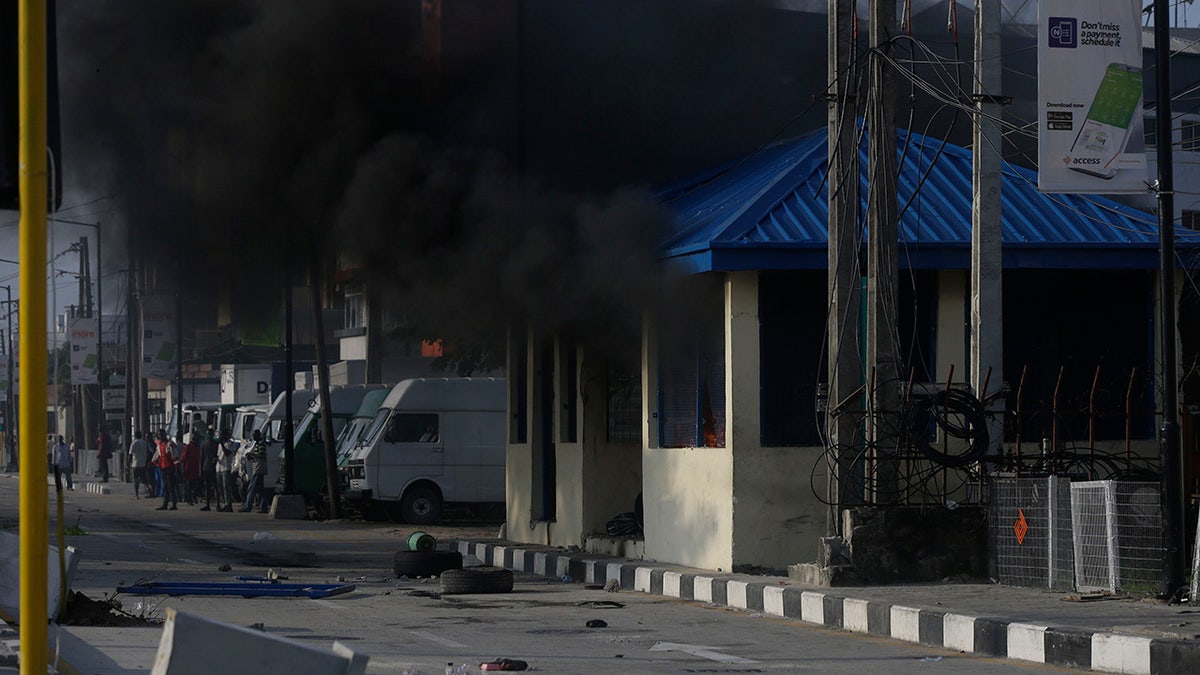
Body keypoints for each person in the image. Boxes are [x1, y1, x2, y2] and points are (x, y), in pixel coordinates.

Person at [240, 429, 269, 513]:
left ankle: (248, 506)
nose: (253, 437)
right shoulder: (257, 444)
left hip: (259, 468)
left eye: (254, 435)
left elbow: (262, 455)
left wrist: (252, 455)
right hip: (257, 467)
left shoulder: (261, 444)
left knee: (251, 487)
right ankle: (263, 507)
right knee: (260, 489)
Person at [153, 430, 178, 511]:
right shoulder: (159, 446)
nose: (160, 436)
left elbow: (175, 456)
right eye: (159, 435)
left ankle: (174, 504)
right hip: (163, 468)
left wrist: (176, 468)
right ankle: (165, 504)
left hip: (170, 468)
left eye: (161, 435)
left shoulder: (170, 444)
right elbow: (156, 457)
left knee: (171, 487)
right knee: (165, 487)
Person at [215, 429, 236, 512]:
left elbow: (227, 453)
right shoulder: (219, 445)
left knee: (226, 487)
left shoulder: (229, 444)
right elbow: (218, 454)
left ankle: (228, 504)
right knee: (220, 487)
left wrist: (222, 444)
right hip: (219, 467)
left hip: (226, 467)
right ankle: (223, 503)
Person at [199, 429, 219, 511]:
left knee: (215, 487)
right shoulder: (204, 444)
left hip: (213, 468)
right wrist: (200, 470)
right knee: (207, 487)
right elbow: (201, 457)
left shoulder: (216, 444)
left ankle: (217, 504)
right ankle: (208, 504)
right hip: (206, 467)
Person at [180, 433, 201, 505]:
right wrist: (183, 469)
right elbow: (183, 458)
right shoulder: (188, 447)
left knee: (196, 485)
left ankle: (194, 497)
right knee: (189, 485)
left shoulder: (198, 447)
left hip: (196, 469)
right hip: (188, 469)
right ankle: (189, 499)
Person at [128, 430, 149, 499]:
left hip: (135, 464)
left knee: (136, 479)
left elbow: (130, 454)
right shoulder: (144, 443)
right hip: (143, 463)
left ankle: (136, 494)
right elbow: (147, 452)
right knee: (144, 479)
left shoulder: (134, 443)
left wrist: (128, 463)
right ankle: (148, 490)